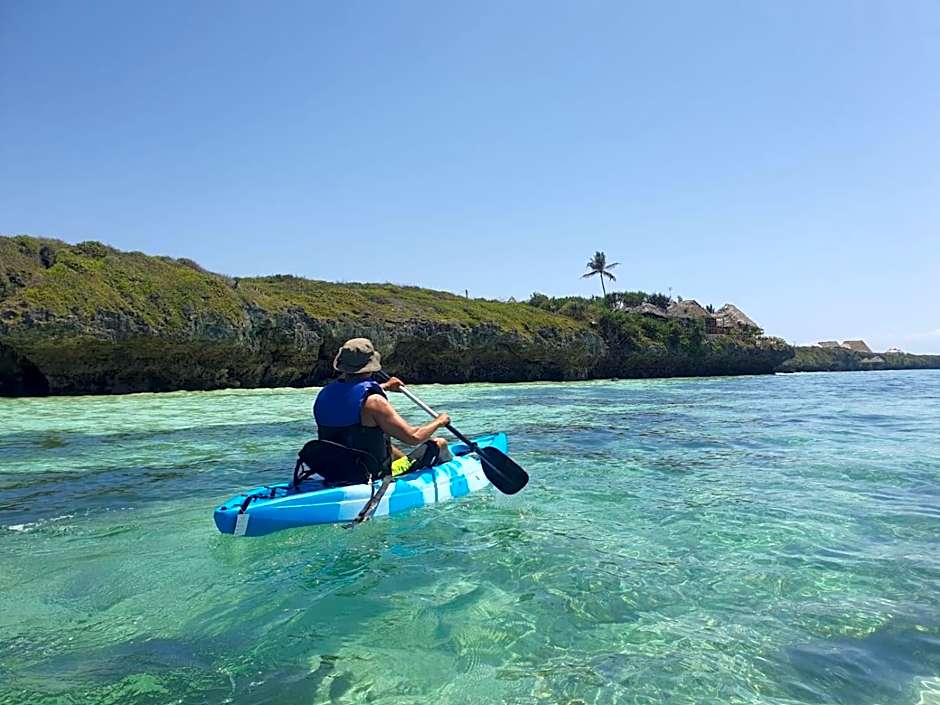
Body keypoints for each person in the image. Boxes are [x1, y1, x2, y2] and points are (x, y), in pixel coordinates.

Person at [313, 338, 452, 477]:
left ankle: (405, 463)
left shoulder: (325, 394)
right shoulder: (375, 402)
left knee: (381, 441)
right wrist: (439, 421)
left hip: (334, 472)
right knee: (440, 443)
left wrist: (385, 386)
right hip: (370, 474)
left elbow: (351, 397)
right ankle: (447, 473)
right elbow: (413, 437)